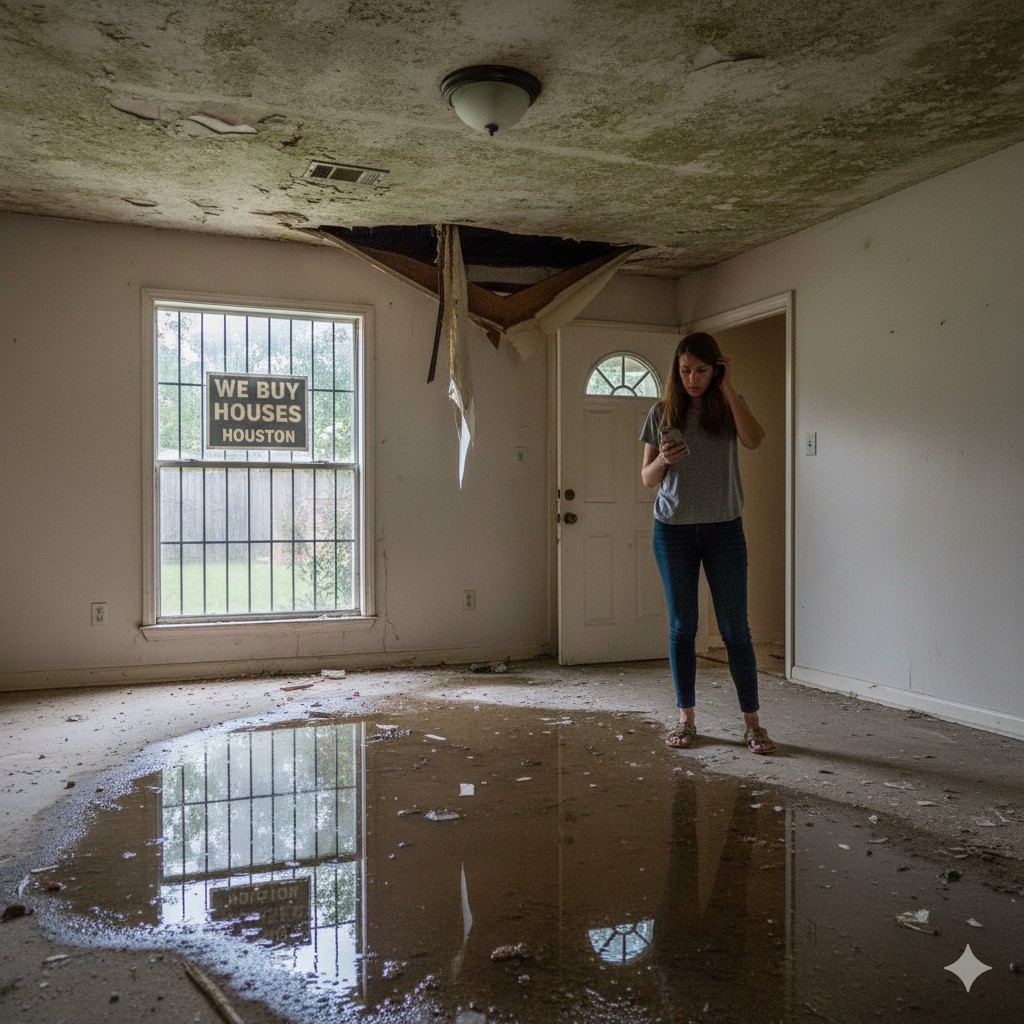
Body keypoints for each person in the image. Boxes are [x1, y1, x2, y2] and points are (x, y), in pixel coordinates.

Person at [640, 332, 776, 753]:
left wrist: (729, 388)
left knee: (736, 629)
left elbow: (754, 439)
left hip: (723, 529)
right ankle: (686, 720)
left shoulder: (727, 405)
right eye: (685, 371)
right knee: (684, 627)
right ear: (675, 371)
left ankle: (753, 725)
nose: (692, 379)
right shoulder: (661, 411)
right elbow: (646, 478)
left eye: (701, 370)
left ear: (716, 368)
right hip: (673, 530)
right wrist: (664, 459)